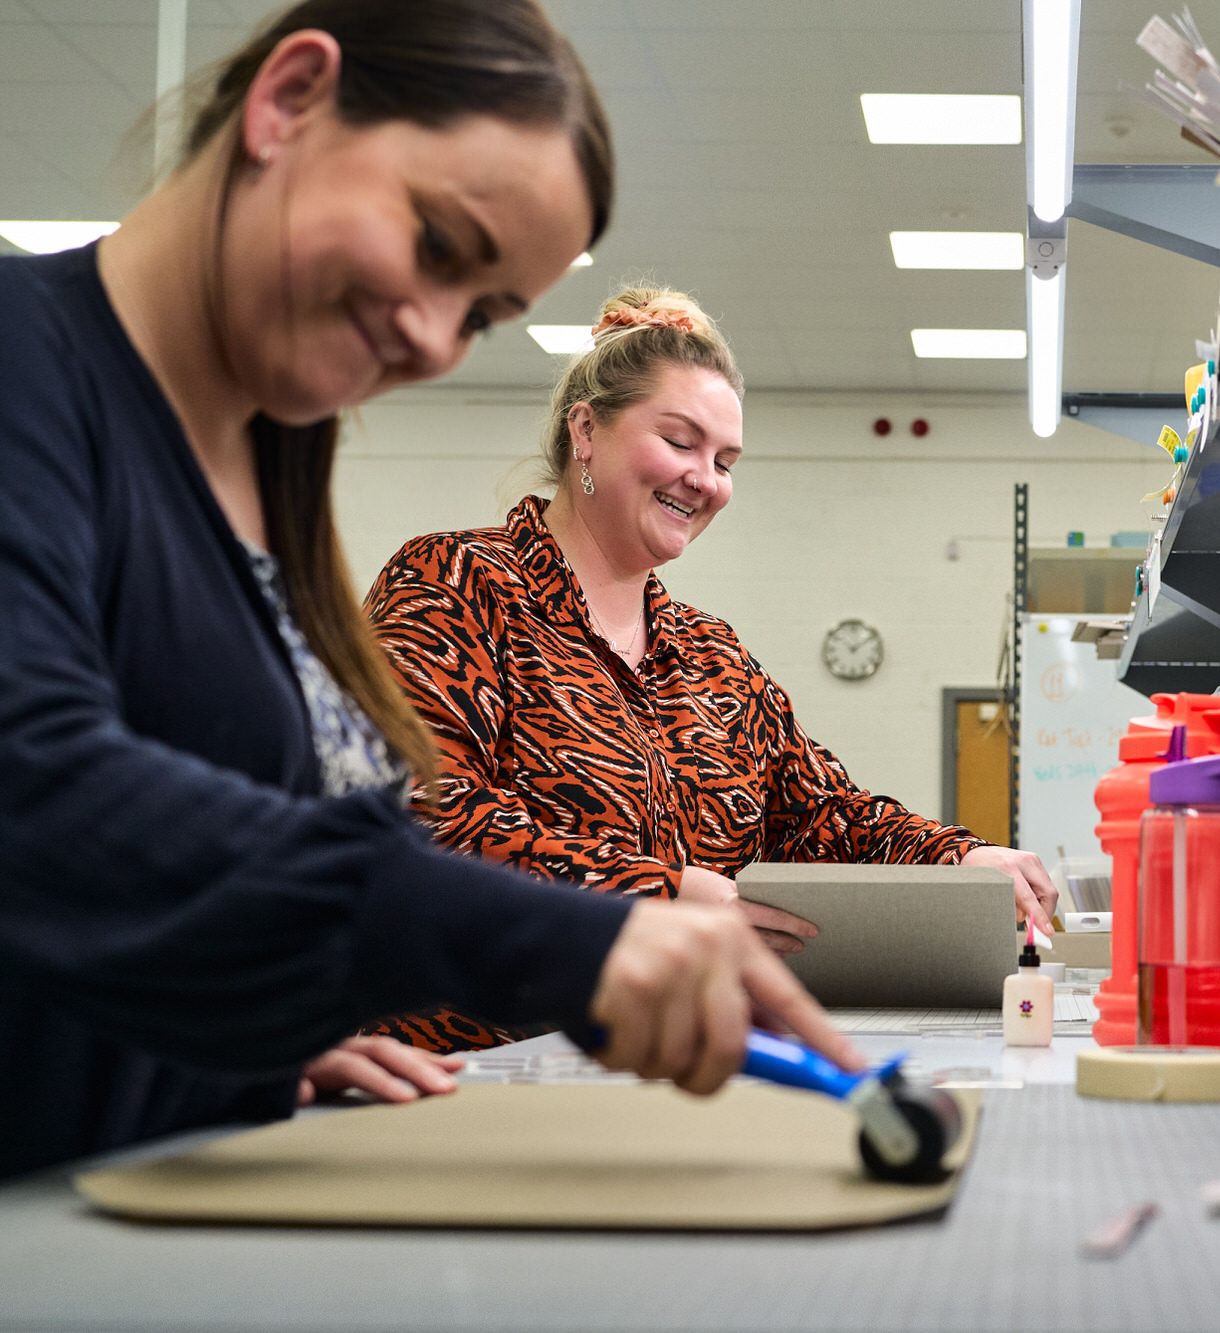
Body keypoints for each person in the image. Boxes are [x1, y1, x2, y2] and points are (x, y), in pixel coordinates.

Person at [0, 0, 856, 1183]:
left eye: (482, 313)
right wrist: (565, 935)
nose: (433, 337)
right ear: (289, 100)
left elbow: (203, 866)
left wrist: (251, 1048)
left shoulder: (271, 461)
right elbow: (36, 786)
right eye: (440, 247)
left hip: (142, 1181)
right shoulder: (27, 367)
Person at [362, 287, 1061, 1051]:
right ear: (586, 430)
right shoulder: (457, 583)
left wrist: (958, 858)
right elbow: (420, 824)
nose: (706, 479)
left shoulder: (712, 655)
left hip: (660, 1060)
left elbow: (826, 815)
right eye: (681, 441)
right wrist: (660, 894)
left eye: (724, 460)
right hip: (467, 1064)